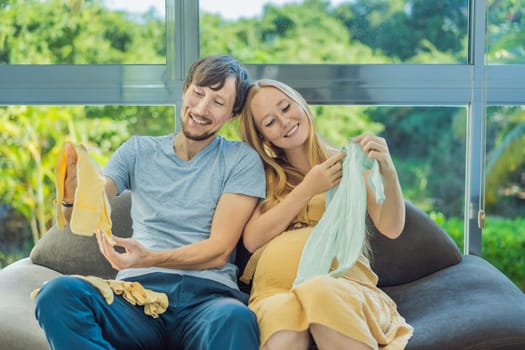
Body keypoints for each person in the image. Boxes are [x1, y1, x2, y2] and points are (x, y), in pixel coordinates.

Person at [34, 55, 266, 350]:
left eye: (218, 102)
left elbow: (219, 251)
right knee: (56, 294)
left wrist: (150, 258)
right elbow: (95, 201)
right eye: (198, 93)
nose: (201, 108)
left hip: (208, 302)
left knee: (236, 318)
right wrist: (75, 196)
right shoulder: (138, 150)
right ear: (185, 90)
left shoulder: (241, 160)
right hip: (136, 300)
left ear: (232, 114)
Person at [239, 79, 413, 350]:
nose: (284, 122)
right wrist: (308, 188)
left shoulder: (350, 164)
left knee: (318, 288)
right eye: (270, 122)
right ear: (264, 138)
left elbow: (391, 227)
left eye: (286, 108)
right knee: (281, 314)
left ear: (301, 104)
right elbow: (252, 239)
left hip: (341, 286)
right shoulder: (265, 177)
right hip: (274, 292)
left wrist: (388, 170)